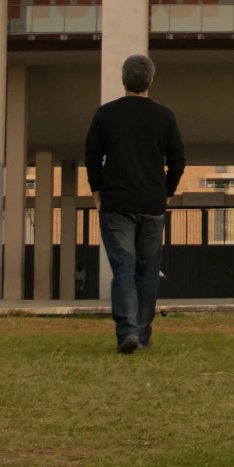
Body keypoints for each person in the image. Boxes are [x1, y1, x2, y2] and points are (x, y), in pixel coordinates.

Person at [85, 53, 186, 354]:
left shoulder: (105, 114)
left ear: (123, 80)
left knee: (124, 270)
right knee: (147, 272)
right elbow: (178, 160)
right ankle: (142, 335)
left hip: (116, 206)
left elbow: (92, 157)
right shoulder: (164, 116)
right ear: (151, 81)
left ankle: (127, 332)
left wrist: (96, 193)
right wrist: (166, 193)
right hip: (153, 207)